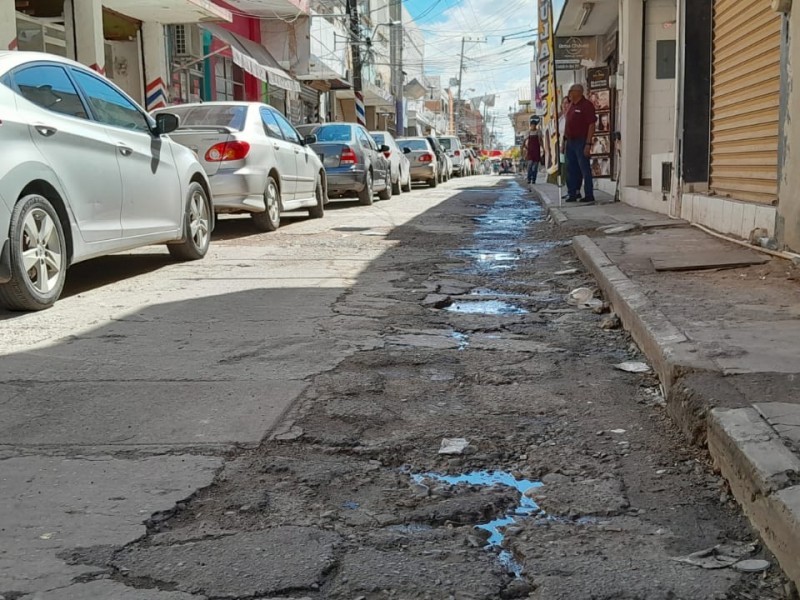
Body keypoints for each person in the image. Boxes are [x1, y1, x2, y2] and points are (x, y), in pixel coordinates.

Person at [563, 83, 596, 202]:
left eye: (571, 91)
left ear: (578, 92)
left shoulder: (586, 105)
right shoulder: (571, 105)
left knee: (584, 168)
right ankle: (573, 193)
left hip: (581, 140)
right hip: (570, 141)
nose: (569, 93)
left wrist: (588, 143)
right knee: (571, 168)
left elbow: (591, 124)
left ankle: (589, 194)